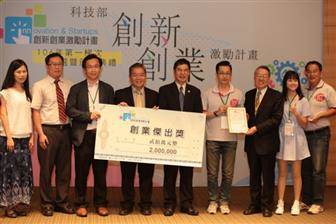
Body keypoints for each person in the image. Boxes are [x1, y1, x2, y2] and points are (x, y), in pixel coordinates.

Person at [66, 54, 114, 217]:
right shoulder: (76, 88)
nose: (93, 69)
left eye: (96, 66)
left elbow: (113, 112)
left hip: (102, 137)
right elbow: (70, 110)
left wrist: (121, 109)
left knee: (101, 173)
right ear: (84, 70)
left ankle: (101, 204)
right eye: (89, 66)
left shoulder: (108, 88)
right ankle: (80, 204)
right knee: (82, 173)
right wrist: (88, 115)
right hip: (83, 136)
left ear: (100, 69)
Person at [31, 53, 74, 216]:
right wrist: (40, 134)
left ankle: (61, 202)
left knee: (64, 170)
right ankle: (47, 202)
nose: (57, 67)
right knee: (46, 169)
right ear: (47, 66)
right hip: (47, 130)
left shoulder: (69, 85)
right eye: (53, 64)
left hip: (66, 130)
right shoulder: (39, 85)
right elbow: (35, 111)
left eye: (60, 64)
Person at [159, 58, 203, 216]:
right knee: (169, 174)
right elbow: (162, 116)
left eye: (185, 70)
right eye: (179, 70)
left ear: (189, 73)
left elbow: (198, 116)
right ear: (174, 72)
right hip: (171, 140)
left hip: (188, 141)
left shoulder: (195, 91)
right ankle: (169, 204)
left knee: (187, 174)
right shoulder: (164, 90)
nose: (182, 73)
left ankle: (186, 204)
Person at [115, 63, 158, 216]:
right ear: (130, 77)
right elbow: (115, 119)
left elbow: (162, 121)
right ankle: (127, 204)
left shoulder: (155, 95)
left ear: (145, 76)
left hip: (147, 143)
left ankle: (145, 204)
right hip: (128, 142)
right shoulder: (119, 94)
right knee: (127, 175)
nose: (138, 78)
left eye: (141, 74)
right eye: (135, 75)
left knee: (146, 175)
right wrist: (118, 109)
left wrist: (158, 114)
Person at [202, 61, 243, 214]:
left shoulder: (238, 93)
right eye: (221, 73)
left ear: (230, 75)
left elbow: (242, 115)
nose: (224, 76)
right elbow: (203, 115)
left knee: (228, 173)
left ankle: (224, 201)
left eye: (227, 73)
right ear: (216, 75)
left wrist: (243, 116)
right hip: (212, 138)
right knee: (212, 173)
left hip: (230, 139)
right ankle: (213, 200)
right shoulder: (207, 93)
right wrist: (217, 113)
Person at [243, 65, 284, 217]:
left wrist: (256, 128)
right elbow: (246, 116)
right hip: (251, 143)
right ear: (254, 78)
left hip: (268, 143)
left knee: (267, 176)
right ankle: (254, 205)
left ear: (269, 78)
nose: (261, 78)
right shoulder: (249, 94)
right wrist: (244, 119)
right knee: (254, 176)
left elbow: (276, 119)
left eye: (264, 75)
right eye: (258, 75)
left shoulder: (277, 96)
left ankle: (267, 206)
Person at [301, 61, 336, 214]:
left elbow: (335, 108)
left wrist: (320, 115)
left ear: (320, 72)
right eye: (309, 71)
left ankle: (318, 202)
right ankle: (306, 201)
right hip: (305, 134)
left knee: (318, 169)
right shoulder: (304, 90)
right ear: (305, 73)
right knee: (306, 169)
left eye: (315, 71)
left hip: (320, 134)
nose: (312, 74)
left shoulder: (328, 89)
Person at [0, 59, 34, 218]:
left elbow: (29, 116)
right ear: (12, 73)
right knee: (9, 173)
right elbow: (3, 115)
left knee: (22, 172)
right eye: (18, 72)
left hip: (25, 138)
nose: (22, 75)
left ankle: (20, 204)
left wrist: (32, 135)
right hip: (10, 139)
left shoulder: (27, 93)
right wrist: (9, 137)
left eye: (24, 71)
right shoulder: (5, 92)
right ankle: (8, 206)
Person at [275, 70, 311, 216]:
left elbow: (305, 124)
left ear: (298, 82)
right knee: (282, 174)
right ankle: (281, 202)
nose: (293, 82)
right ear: (285, 82)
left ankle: (296, 202)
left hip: (297, 138)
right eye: (289, 80)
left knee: (297, 174)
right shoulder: (280, 98)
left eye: (295, 80)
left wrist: (296, 113)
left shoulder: (303, 100)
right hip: (283, 137)